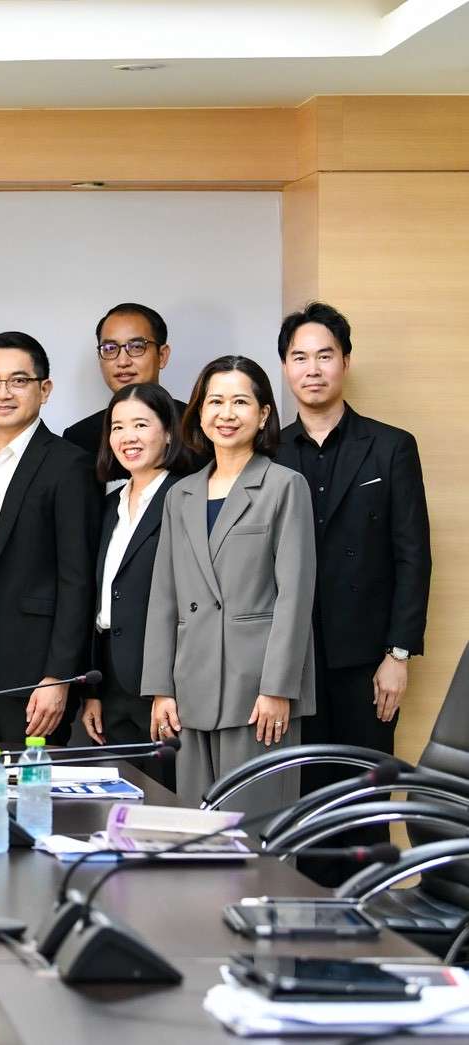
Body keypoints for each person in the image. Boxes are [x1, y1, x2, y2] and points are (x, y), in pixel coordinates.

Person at [274, 302, 430, 875]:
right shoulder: (269, 452)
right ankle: (305, 909)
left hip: (367, 659)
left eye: (325, 356)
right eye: (300, 357)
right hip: (291, 662)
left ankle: (367, 908)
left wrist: (398, 654)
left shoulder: (390, 446)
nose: (312, 369)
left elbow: (413, 554)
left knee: (365, 799)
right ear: (285, 368)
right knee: (302, 804)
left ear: (345, 361)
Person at [141, 355, 316, 814]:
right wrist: (161, 688)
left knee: (253, 827)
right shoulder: (180, 494)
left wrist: (278, 689)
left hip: (256, 690)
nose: (226, 413)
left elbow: (295, 597)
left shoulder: (284, 486)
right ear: (200, 413)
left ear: (263, 414)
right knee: (195, 831)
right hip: (190, 685)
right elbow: (164, 597)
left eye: (240, 402)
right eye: (215, 401)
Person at [0, 331, 99, 744]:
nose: (3, 393)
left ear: (44, 389)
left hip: (35, 675)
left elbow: (78, 579)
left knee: (32, 784)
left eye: (18, 380)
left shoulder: (69, 465)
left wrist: (58, 676)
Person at [77, 383, 193, 779]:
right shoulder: (109, 504)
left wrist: (167, 688)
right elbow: (101, 598)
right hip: (111, 679)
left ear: (169, 433)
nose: (128, 437)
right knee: (120, 797)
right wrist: (93, 692)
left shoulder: (186, 498)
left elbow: (190, 600)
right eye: (118, 427)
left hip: (163, 681)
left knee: (165, 797)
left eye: (141, 425)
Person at [63, 302, 191, 462]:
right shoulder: (78, 438)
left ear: (162, 356)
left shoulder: (197, 425)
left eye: (137, 346)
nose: (122, 362)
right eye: (110, 348)